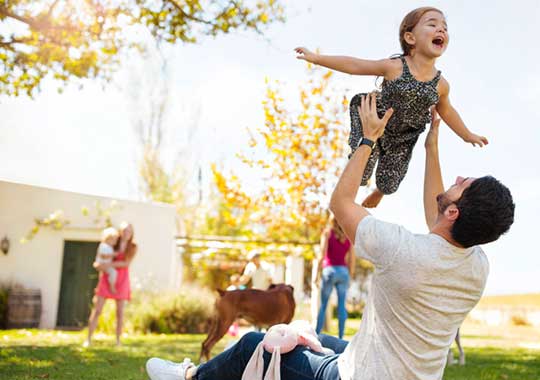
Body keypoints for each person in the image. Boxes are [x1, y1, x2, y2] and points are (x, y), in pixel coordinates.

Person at [145, 93, 514, 380]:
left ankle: (190, 377)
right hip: (398, 371)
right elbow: (438, 219)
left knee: (254, 344)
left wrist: (368, 139)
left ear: (454, 213)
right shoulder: (476, 265)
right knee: (315, 336)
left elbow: (340, 203)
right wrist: (431, 145)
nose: (461, 177)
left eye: (465, 184)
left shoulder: (402, 250)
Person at [295, 7, 488, 208]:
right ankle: (357, 171)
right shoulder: (395, 66)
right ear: (410, 38)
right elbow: (356, 66)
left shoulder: (441, 85)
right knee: (361, 172)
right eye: (432, 24)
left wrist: (466, 134)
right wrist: (316, 58)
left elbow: (447, 110)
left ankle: (379, 192)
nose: (441, 30)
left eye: (445, 27)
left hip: (404, 137)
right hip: (375, 119)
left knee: (390, 184)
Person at [84, 222, 138, 347]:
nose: (126, 233)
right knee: (97, 310)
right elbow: (100, 258)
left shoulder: (133, 246)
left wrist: (108, 265)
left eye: (129, 231)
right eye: (124, 230)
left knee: (120, 312)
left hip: (122, 279)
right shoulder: (113, 242)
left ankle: (118, 341)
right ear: (120, 231)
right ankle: (88, 339)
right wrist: (99, 266)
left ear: (132, 233)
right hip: (106, 278)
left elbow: (125, 264)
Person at [315, 217, 355, 339]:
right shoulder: (348, 236)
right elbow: (352, 260)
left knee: (323, 305)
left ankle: (316, 335)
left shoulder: (327, 233)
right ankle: (341, 337)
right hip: (343, 272)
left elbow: (322, 254)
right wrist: (350, 276)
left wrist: (317, 274)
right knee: (342, 305)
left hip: (330, 270)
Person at [94, 227, 120, 294]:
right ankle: (112, 286)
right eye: (113, 240)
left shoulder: (110, 247)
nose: (115, 242)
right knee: (113, 273)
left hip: (106, 265)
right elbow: (104, 256)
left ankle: (100, 287)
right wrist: (114, 254)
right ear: (108, 239)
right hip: (102, 263)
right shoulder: (104, 245)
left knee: (109, 274)